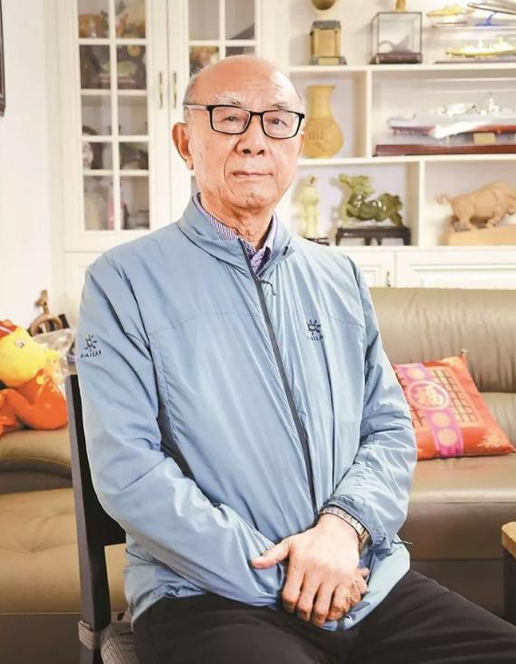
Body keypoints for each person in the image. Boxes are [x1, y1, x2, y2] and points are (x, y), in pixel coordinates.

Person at [76, 55, 516, 664]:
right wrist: (288, 576)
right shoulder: (121, 282)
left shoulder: (339, 276)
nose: (255, 140)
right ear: (185, 142)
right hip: (204, 595)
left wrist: (344, 529)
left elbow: (388, 428)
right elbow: (130, 472)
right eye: (228, 117)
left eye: (277, 121)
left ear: (298, 145)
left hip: (362, 579)